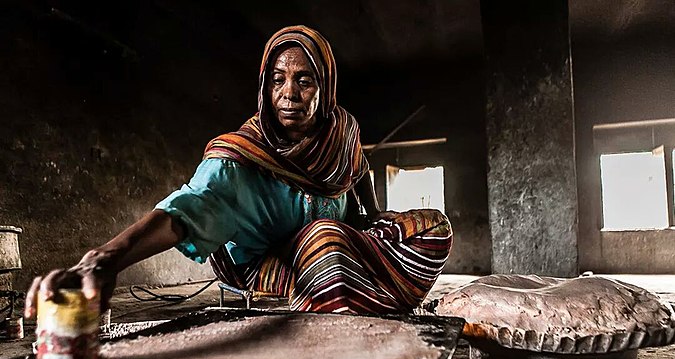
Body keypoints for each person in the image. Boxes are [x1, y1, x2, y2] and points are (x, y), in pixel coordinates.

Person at [24, 25, 453, 318]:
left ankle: (352, 294)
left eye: (305, 81)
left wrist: (371, 226)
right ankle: (346, 309)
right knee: (325, 238)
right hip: (267, 265)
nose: (289, 94)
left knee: (432, 226)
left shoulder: (342, 135)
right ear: (265, 86)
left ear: (326, 89)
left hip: (338, 250)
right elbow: (186, 209)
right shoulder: (240, 157)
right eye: (278, 80)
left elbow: (358, 180)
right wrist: (107, 258)